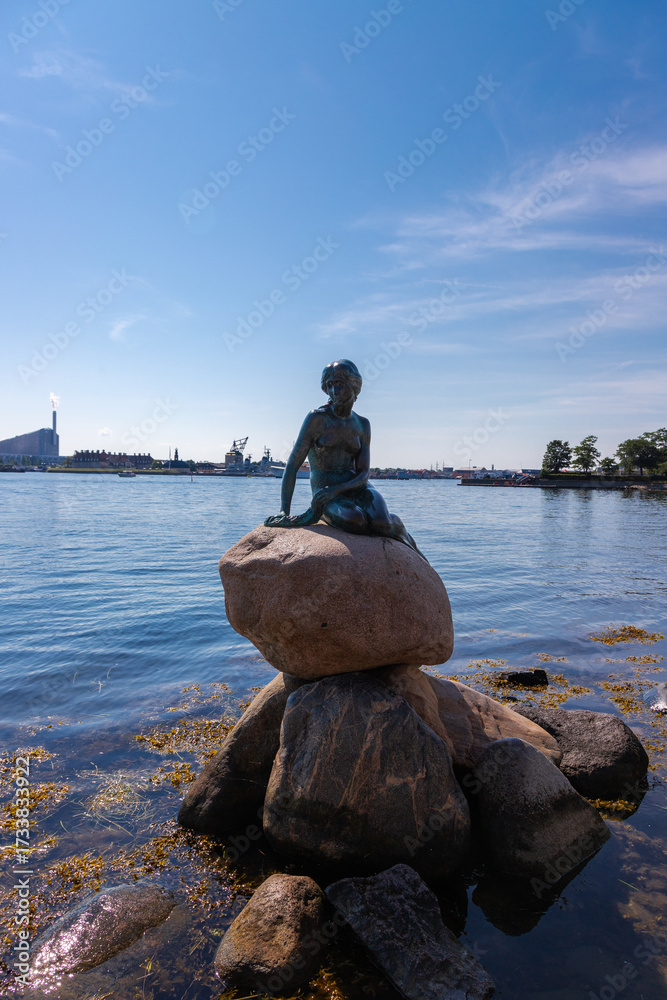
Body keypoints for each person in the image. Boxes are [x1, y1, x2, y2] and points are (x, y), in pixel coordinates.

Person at [264, 359, 424, 557]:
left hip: (357, 487)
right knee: (355, 520)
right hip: (325, 491)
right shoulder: (316, 419)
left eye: (339, 383)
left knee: (382, 522)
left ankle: (404, 537)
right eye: (330, 385)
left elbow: (363, 473)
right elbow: (292, 466)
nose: (334, 390)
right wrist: (284, 511)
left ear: (354, 385)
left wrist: (339, 489)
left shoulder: (363, 424)